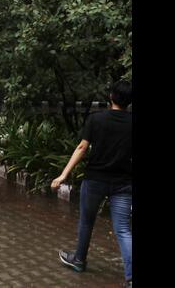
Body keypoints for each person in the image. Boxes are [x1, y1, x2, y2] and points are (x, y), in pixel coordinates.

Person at [51, 81, 132, 287]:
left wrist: (63, 175)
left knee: (87, 221)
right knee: (123, 229)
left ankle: (79, 261)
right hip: (123, 183)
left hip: (95, 180)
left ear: (111, 96)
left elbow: (81, 148)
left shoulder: (97, 119)